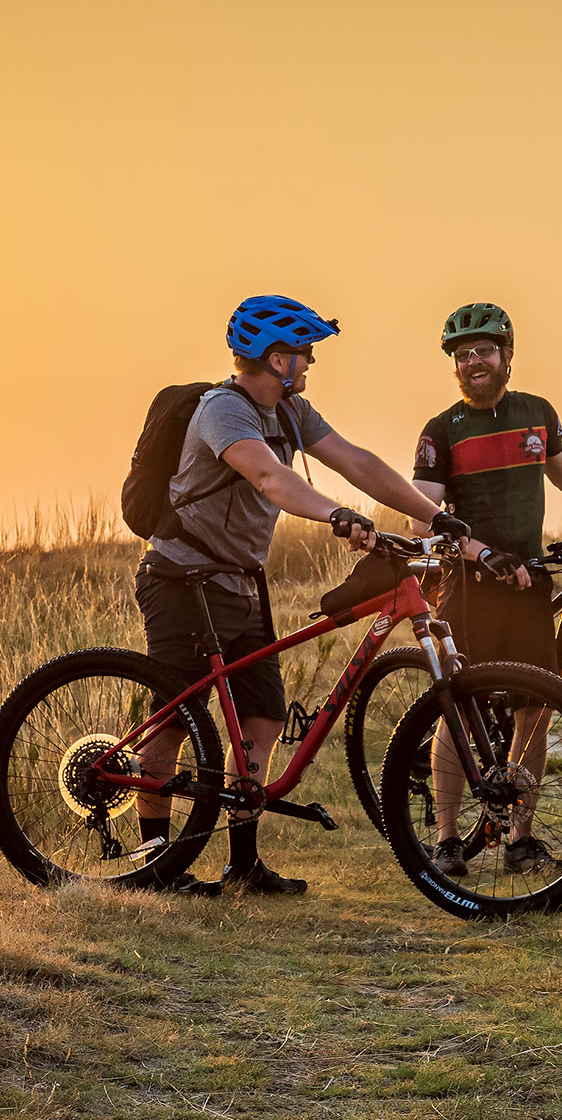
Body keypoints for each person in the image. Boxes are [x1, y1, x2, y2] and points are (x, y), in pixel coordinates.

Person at [136, 295, 464, 896]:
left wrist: (434, 514)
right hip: (182, 578)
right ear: (276, 358)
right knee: (176, 719)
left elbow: (355, 461)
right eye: (304, 353)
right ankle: (154, 867)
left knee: (260, 718)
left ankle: (243, 864)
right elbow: (269, 476)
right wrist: (336, 514)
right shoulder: (222, 410)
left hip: (241, 580)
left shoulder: (291, 411)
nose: (310, 363)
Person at [410, 301, 562, 878]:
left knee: (534, 709)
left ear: (508, 355)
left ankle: (519, 838)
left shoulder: (537, 414)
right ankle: (446, 840)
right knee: (459, 710)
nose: (473, 362)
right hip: (470, 587)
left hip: (530, 583)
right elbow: (420, 516)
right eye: (463, 355)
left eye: (485, 351)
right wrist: (479, 553)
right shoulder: (440, 431)